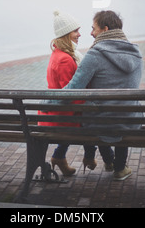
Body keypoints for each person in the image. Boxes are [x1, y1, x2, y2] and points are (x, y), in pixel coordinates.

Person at [62, 10, 143, 181]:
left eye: (94, 29)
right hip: (130, 121)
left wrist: (48, 100)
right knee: (124, 110)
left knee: (96, 112)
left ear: (105, 30)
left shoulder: (95, 54)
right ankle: (119, 168)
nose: (91, 33)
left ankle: (111, 162)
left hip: (100, 122)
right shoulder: (136, 54)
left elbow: (74, 88)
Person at [38, 10, 96, 176]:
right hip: (60, 116)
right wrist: (89, 102)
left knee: (85, 118)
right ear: (65, 35)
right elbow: (69, 96)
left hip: (55, 113)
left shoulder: (57, 54)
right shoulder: (65, 59)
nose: (79, 34)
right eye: (75, 31)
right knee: (91, 122)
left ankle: (59, 157)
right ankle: (95, 158)